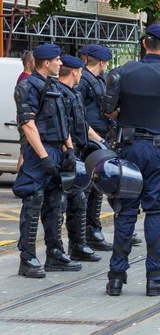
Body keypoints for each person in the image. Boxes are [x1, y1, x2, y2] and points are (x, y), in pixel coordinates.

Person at [102, 24, 160, 296]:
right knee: (155, 211)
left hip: (129, 148)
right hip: (159, 151)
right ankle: (155, 276)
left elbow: (109, 111)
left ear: (144, 44)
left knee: (126, 211)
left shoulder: (121, 72)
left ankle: (116, 278)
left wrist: (131, 119)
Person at [13, 43, 82, 278]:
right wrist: (43, 157)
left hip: (56, 151)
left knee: (55, 203)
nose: (61, 63)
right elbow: (28, 125)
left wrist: (69, 149)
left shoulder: (53, 86)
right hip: (38, 152)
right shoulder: (27, 86)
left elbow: (63, 123)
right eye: (57, 60)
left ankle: (55, 253)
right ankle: (28, 257)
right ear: (46, 62)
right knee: (33, 202)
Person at [58, 55, 105, 262]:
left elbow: (81, 123)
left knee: (79, 199)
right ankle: (59, 250)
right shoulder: (59, 93)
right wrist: (68, 149)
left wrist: (99, 140)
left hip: (77, 150)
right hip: (65, 153)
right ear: (75, 71)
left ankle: (78, 245)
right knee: (58, 203)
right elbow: (60, 127)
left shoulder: (73, 93)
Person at [79, 44, 114, 251]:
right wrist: (95, 137)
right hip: (90, 141)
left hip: (100, 139)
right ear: (101, 62)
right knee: (87, 188)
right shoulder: (83, 81)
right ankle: (87, 232)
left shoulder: (99, 79)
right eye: (106, 62)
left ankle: (93, 228)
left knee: (97, 187)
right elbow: (79, 114)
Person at [16, 51, 36, 173]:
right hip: (26, 120)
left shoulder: (24, 78)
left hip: (23, 119)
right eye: (35, 62)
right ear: (28, 64)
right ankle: (20, 180)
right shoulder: (25, 79)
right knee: (25, 152)